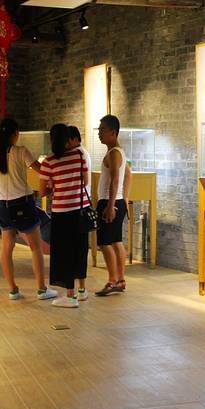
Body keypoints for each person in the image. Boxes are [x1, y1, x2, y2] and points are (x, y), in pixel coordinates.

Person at [0, 118, 57, 301]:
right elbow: (40, 169)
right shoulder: (21, 151)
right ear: (15, 134)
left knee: (7, 249)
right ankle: (41, 289)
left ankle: (13, 290)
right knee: (35, 247)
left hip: (5, 206)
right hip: (24, 203)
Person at [39, 123, 90, 308]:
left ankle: (70, 295)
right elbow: (85, 181)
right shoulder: (79, 156)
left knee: (64, 253)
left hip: (62, 212)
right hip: (80, 210)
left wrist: (54, 185)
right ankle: (82, 290)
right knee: (80, 249)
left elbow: (42, 191)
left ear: (52, 140)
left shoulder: (48, 162)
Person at [94, 114, 132, 296]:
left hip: (110, 203)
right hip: (116, 201)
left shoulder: (115, 153)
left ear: (113, 132)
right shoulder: (117, 152)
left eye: (103, 130)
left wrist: (110, 205)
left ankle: (112, 281)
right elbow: (128, 174)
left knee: (104, 243)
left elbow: (116, 179)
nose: (99, 133)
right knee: (116, 241)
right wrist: (124, 198)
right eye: (99, 130)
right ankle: (120, 280)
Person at [67, 125, 92, 195]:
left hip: (79, 195)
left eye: (68, 141)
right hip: (82, 194)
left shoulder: (78, 153)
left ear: (75, 139)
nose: (66, 144)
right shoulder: (82, 152)